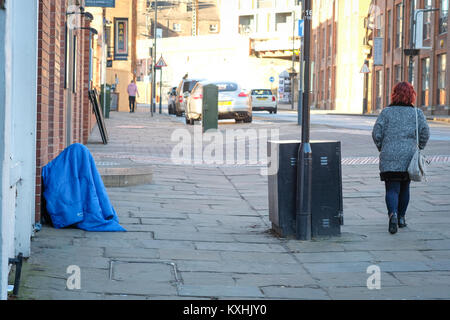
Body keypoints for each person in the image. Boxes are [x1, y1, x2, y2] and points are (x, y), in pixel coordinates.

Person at [372, 81, 430, 234]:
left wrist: (382, 147)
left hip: (389, 155)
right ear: (412, 95)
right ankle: (402, 218)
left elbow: (376, 133)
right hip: (409, 156)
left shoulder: (386, 112)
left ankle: (393, 214)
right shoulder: (417, 113)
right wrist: (420, 147)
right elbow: (425, 133)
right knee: (405, 188)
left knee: (391, 188)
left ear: (394, 94)